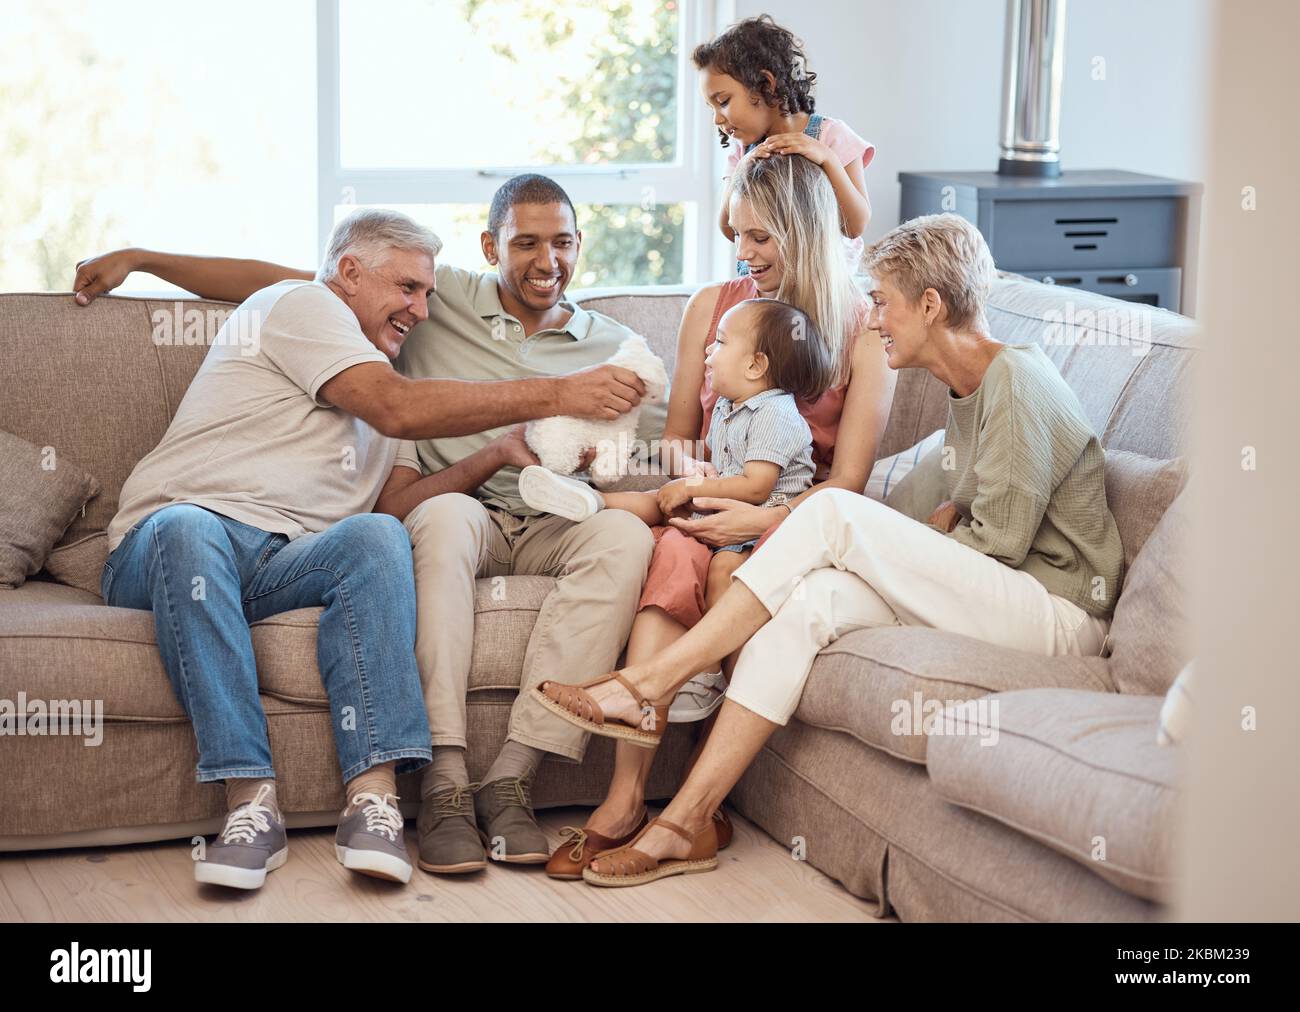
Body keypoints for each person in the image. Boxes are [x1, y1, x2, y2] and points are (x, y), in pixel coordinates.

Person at [74, 175, 665, 876]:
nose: (422, 309)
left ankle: (374, 798)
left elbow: (393, 505)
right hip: (172, 546)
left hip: (280, 562)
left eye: (427, 294)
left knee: (380, 537)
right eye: (408, 290)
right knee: (186, 527)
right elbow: (389, 397)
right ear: (349, 275)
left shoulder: (389, 376)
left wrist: (503, 453)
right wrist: (145, 258)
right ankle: (250, 800)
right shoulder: (307, 309)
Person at [537, 213, 1126, 887]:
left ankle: (649, 683)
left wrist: (930, 534)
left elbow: (1000, 541)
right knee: (810, 603)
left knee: (832, 509)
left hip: (1057, 613)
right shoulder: (967, 394)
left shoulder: (1018, 383)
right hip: (999, 592)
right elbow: (907, 520)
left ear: (930, 306)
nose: (872, 322)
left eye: (882, 303)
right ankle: (686, 821)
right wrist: (924, 533)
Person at [536, 153, 895, 880]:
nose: (745, 253)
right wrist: (696, 480)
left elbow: (848, 484)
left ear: (804, 231)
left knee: (688, 553)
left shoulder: (865, 329)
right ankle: (626, 800)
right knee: (672, 551)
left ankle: (654, 800)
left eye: (762, 237)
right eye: (738, 234)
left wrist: (757, 521)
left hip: (795, 524)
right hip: (716, 501)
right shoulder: (714, 306)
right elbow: (679, 439)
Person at [518, 298, 824, 550]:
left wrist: (691, 486)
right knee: (660, 498)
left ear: (754, 365)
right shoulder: (728, 405)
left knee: (721, 568)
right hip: (729, 502)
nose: (708, 350)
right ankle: (589, 499)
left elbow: (756, 488)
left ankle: (724, 619)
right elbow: (724, 458)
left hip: (759, 523)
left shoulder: (775, 413)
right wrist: (697, 469)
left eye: (719, 341)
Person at [696, 15, 875, 274]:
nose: (717, 118)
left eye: (723, 101)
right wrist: (743, 170)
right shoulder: (740, 154)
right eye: (711, 107)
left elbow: (854, 225)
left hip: (823, 294)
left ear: (766, 84)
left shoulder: (831, 137)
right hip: (764, 295)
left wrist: (827, 159)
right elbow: (727, 228)